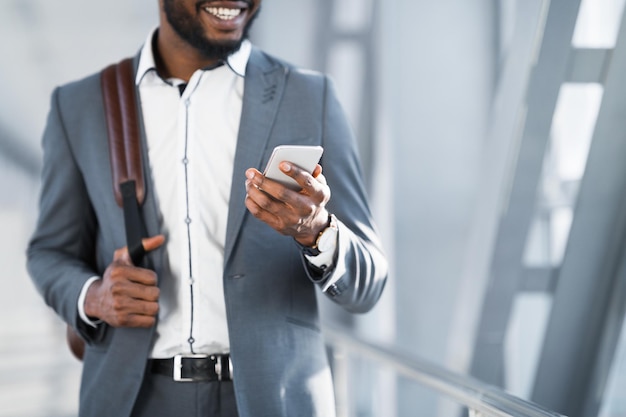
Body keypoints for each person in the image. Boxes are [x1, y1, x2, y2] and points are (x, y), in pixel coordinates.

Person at [26, 0, 388, 416]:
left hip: (277, 401)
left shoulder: (309, 95)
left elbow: (369, 283)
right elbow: (49, 252)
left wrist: (317, 230)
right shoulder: (80, 106)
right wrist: (94, 297)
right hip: (133, 400)